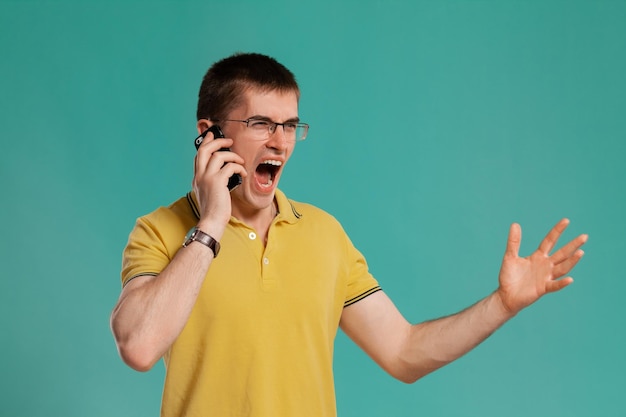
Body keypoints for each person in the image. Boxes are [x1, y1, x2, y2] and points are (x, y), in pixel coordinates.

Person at [110, 52, 587, 417]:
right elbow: (138, 346)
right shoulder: (161, 231)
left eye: (291, 126)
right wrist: (211, 224)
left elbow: (403, 352)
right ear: (209, 134)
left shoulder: (324, 235)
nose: (280, 141)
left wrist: (501, 304)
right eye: (261, 124)